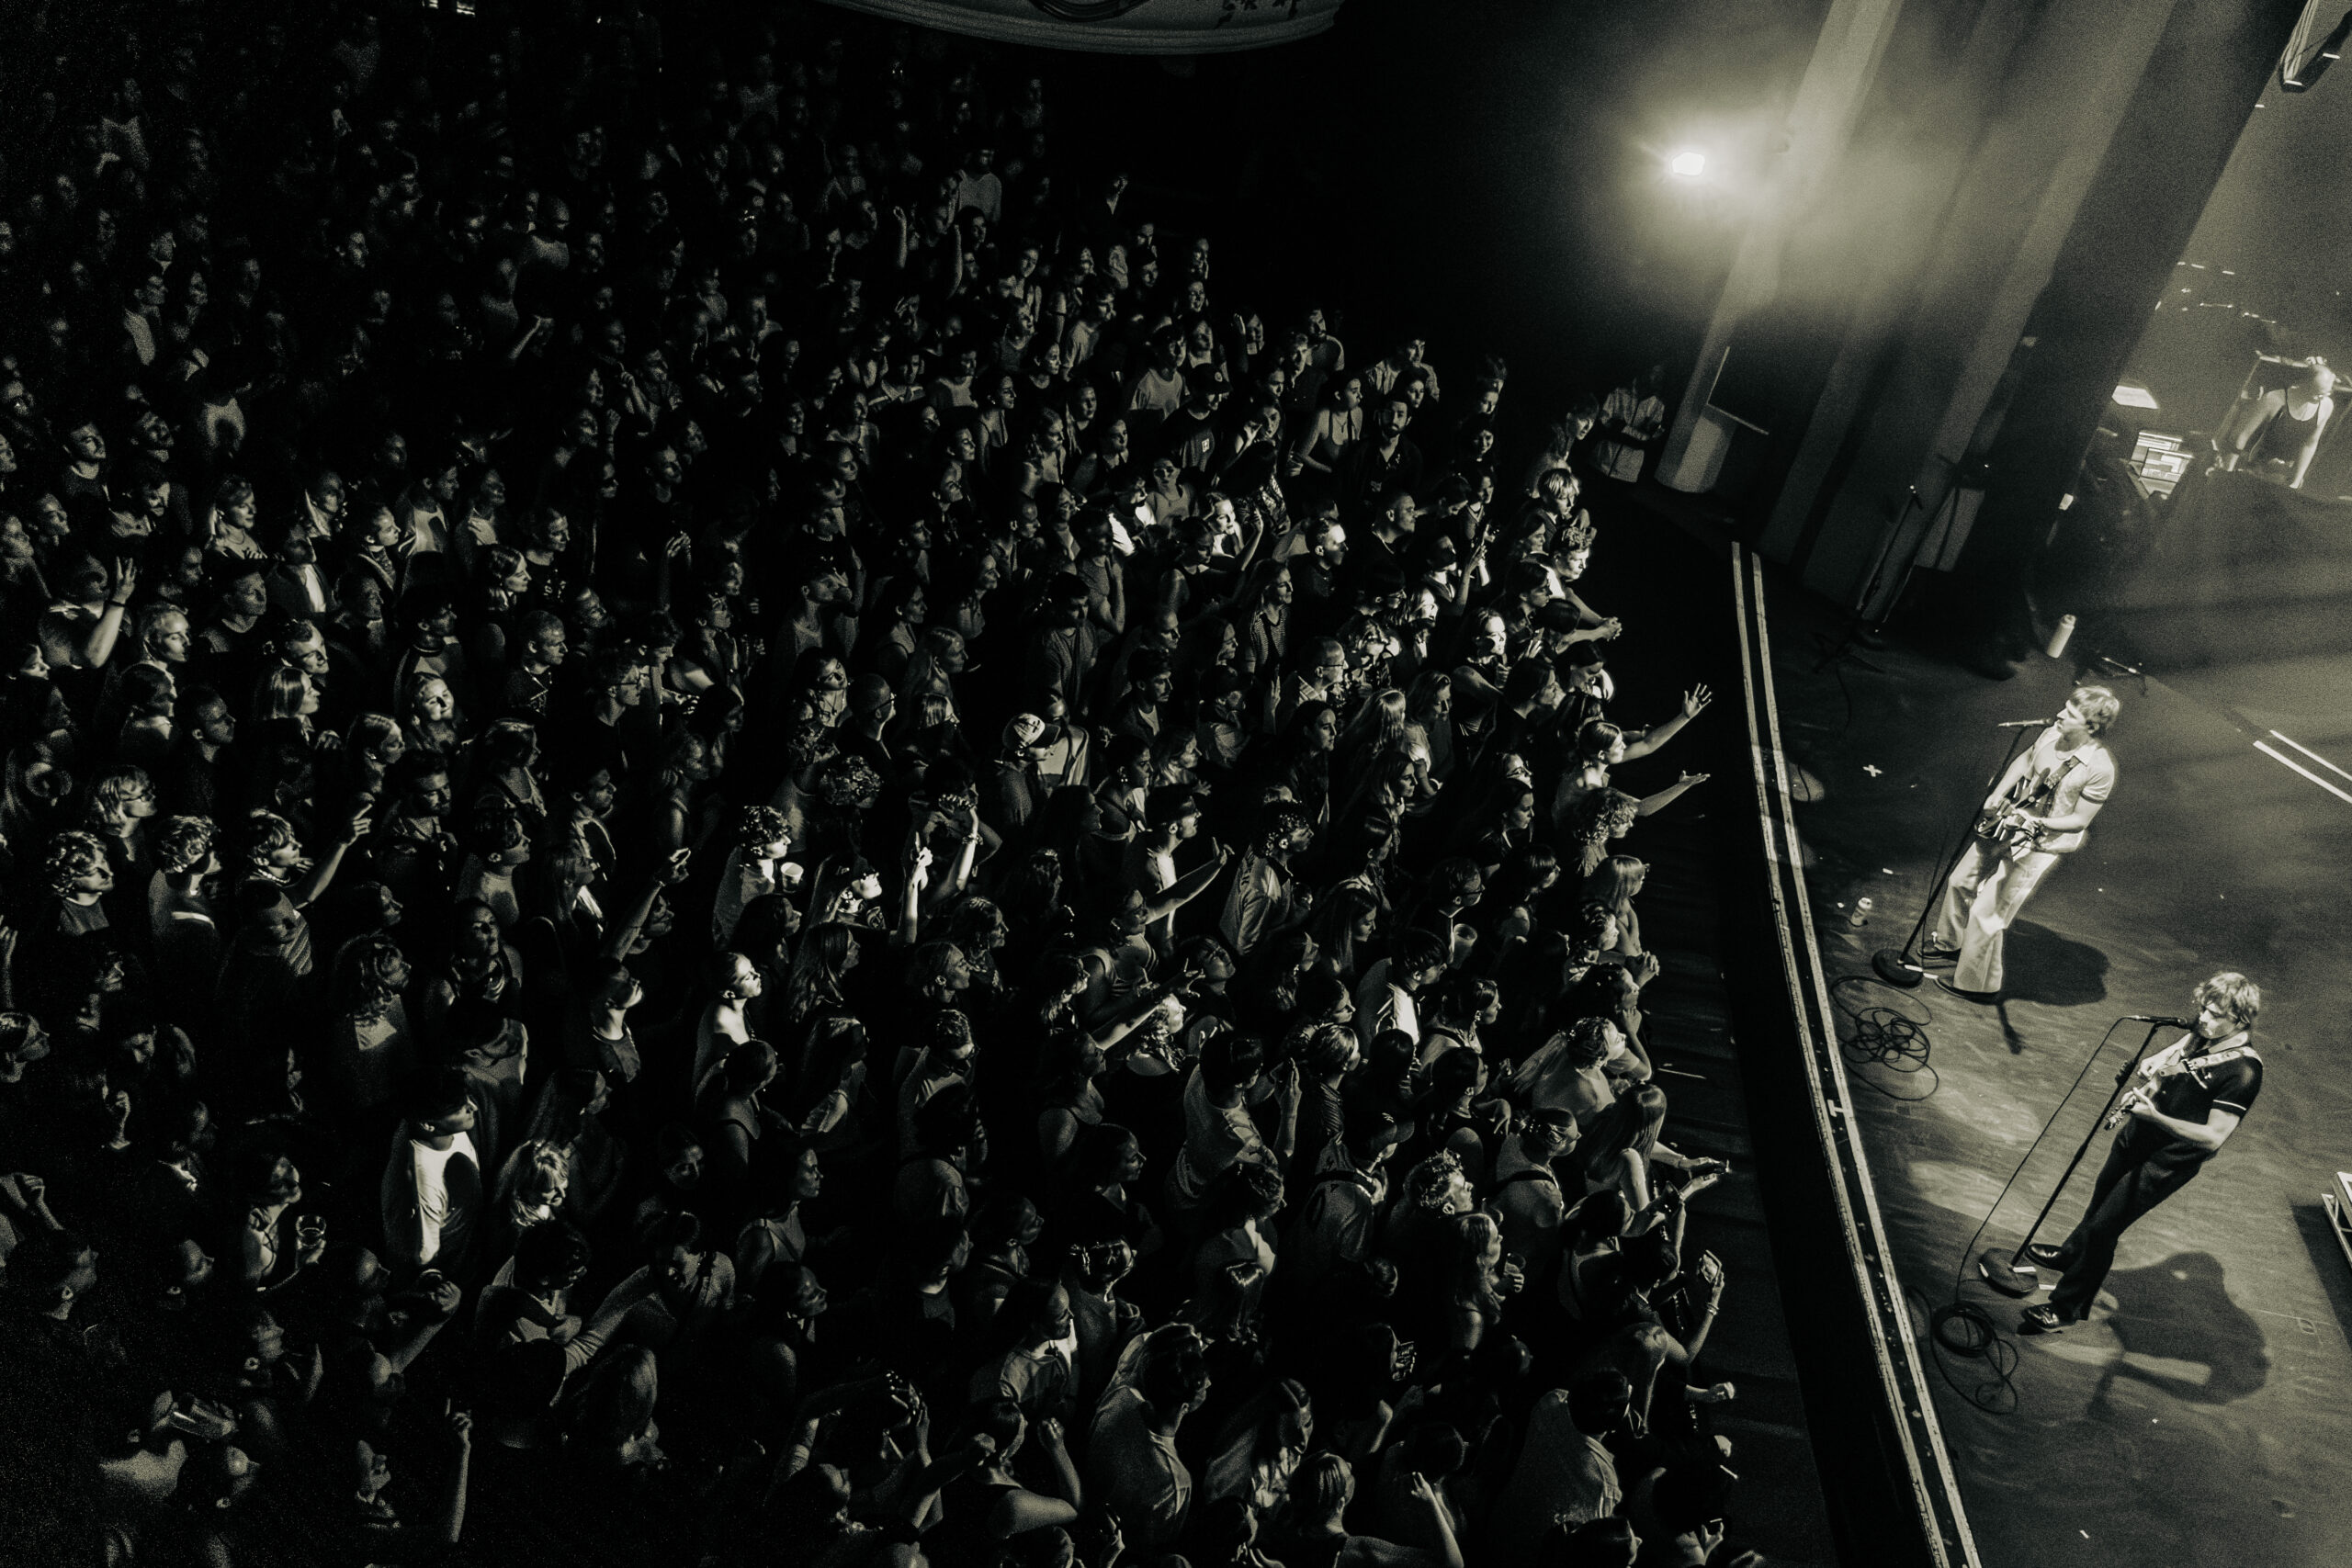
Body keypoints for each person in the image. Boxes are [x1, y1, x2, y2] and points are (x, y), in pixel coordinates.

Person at [2019, 973, 2264, 1333]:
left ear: (2239, 1020)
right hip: (2136, 1137)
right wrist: (2153, 1067)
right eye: (2203, 1009)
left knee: (2105, 1229)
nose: (2203, 1019)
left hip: (2165, 1162)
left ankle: (2067, 1307)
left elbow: (2213, 1137)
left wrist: (2155, 1116)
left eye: (2213, 1014)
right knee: (2098, 1203)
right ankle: (2071, 1254)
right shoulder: (2205, 1033)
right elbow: (2180, 1054)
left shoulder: (2244, 1072)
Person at [1926, 686, 2120, 998]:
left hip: (2039, 845)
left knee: (1989, 913)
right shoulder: (2050, 735)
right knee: (1960, 881)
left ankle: (1977, 985)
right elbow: (2026, 758)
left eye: (2070, 714)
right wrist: (1998, 794)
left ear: (2092, 726)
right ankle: (1950, 945)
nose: (2059, 715)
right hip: (2007, 826)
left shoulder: (2099, 768)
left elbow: (2080, 820)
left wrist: (2035, 822)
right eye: (2065, 707)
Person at [2217, 362, 2335, 490]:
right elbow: (2242, 434)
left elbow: (2310, 443)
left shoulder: (2326, 406)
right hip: (2252, 466)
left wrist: (2296, 480)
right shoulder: (2273, 400)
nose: (2321, 398)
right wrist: (2227, 471)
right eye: (2316, 392)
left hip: (2280, 472)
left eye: (2326, 393)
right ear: (2304, 384)